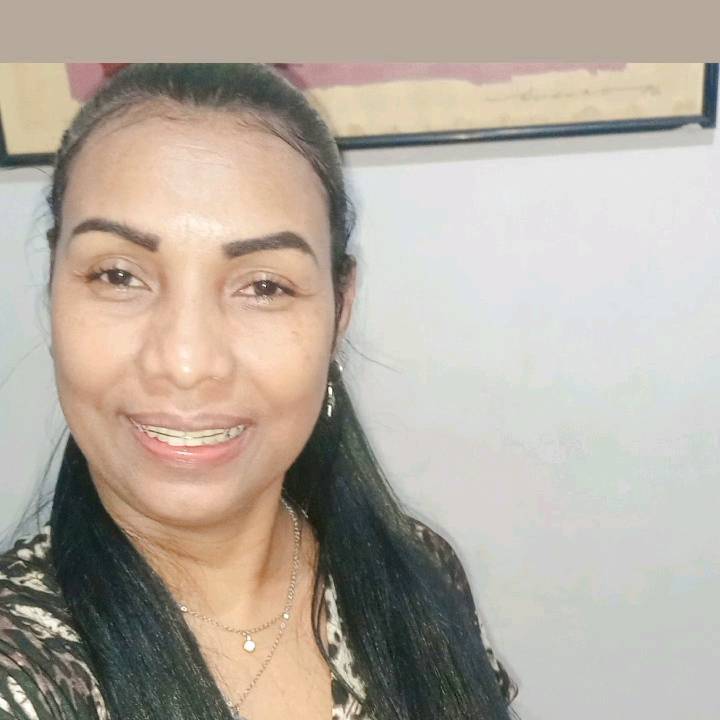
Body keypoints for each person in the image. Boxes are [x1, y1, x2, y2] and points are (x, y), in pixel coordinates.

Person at [0, 64, 518, 720]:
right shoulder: (24, 674)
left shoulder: (418, 572)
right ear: (53, 292)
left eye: (265, 286)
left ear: (340, 311)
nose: (186, 363)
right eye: (118, 275)